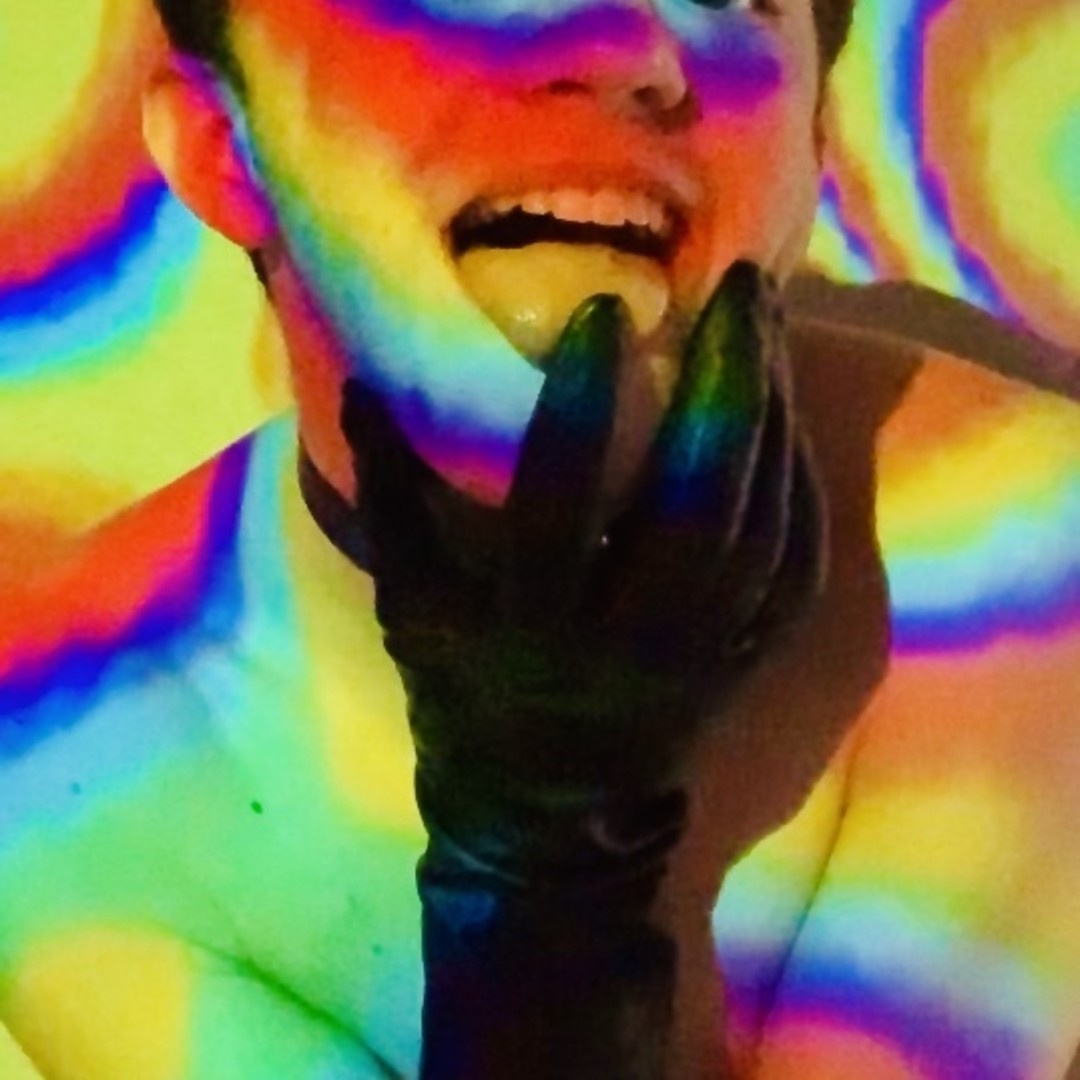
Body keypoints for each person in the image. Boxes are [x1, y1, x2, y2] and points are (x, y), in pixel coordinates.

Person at [0, 1, 1077, 1077]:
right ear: (220, 146)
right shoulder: (60, 770)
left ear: (812, 145)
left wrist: (560, 879)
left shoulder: (1010, 549)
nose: (621, 48)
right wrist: (536, 917)